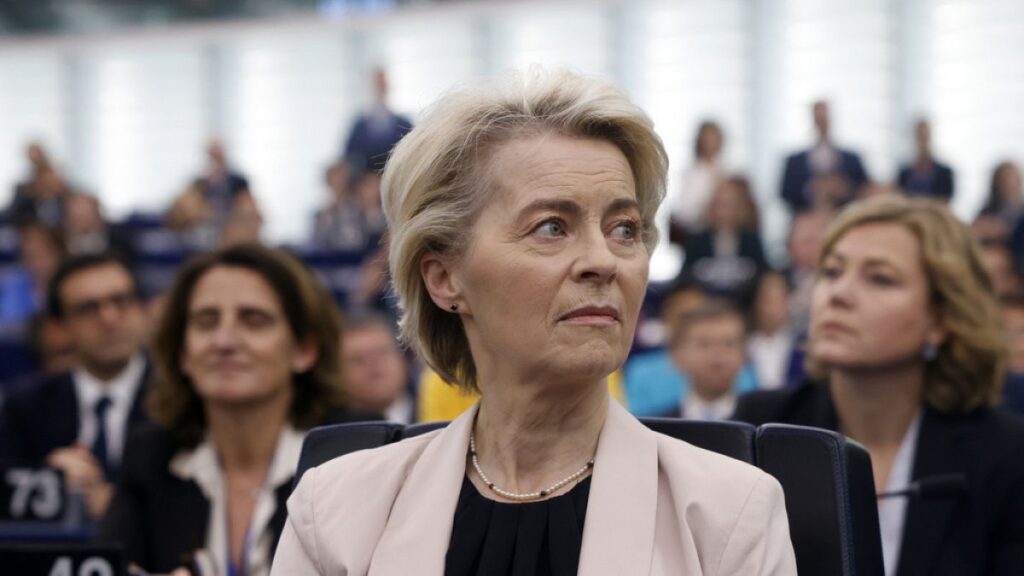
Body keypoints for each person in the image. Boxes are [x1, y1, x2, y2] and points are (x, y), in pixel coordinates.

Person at [272, 69, 795, 575]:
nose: (604, 260)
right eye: (551, 227)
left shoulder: (730, 515)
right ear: (444, 278)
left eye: (624, 228)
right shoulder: (334, 515)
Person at [733, 196, 1024, 576]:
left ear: (942, 317)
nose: (838, 294)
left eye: (880, 278)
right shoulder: (759, 428)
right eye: (832, 272)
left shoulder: (1006, 454)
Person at [99, 244, 357, 576]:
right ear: (183, 353)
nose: (224, 341)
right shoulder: (150, 456)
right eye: (206, 322)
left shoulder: (355, 456)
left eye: (254, 320)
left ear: (304, 349)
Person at [0, 253, 150, 520]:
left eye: (121, 301)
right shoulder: (24, 406)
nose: (109, 318)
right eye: (88, 308)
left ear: (141, 309)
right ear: (60, 327)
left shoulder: (185, 400)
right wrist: (45, 481)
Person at [677, 176, 767, 309]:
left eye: (729, 205)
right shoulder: (697, 241)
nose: (724, 212)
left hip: (744, 308)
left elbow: (763, 275)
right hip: (704, 309)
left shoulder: (751, 241)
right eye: (720, 205)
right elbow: (684, 279)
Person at [661, 300, 747, 420]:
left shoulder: (764, 426)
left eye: (729, 344)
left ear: (744, 354)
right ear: (677, 355)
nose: (717, 357)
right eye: (703, 344)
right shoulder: (658, 427)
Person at [780, 100, 869, 213]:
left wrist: (844, 189)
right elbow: (785, 194)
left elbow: (865, 190)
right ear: (812, 120)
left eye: (825, 119)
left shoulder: (852, 159)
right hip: (807, 221)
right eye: (819, 119)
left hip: (843, 216)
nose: (822, 124)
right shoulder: (794, 162)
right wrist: (810, 190)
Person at [340, 311, 413, 424]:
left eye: (381, 353)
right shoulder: (332, 434)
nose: (372, 363)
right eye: (358, 359)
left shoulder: (436, 409)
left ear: (402, 357)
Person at [341, 67, 413, 173]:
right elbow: (349, 160)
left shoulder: (403, 124)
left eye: (383, 83)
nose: (381, 87)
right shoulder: (359, 127)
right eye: (378, 83)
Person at [668, 120, 726, 241]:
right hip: (698, 233)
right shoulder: (693, 173)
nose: (711, 143)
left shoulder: (727, 170)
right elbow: (685, 212)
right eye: (707, 139)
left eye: (714, 138)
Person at [896, 119, 954, 203]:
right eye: (920, 136)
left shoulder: (944, 173)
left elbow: (945, 200)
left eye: (924, 136)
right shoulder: (904, 173)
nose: (922, 141)